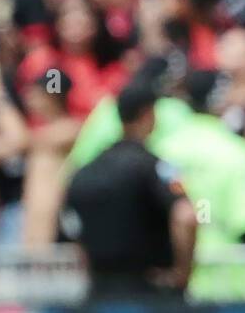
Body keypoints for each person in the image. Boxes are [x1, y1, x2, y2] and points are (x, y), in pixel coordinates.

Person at [62, 79, 198, 297]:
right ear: (148, 114)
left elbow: (74, 227)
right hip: (152, 298)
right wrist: (182, 273)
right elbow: (186, 215)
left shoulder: (84, 173)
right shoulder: (158, 167)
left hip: (98, 297)